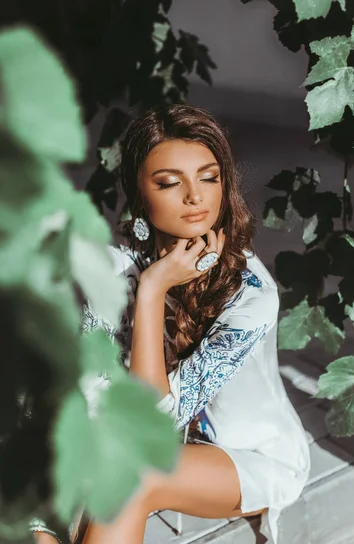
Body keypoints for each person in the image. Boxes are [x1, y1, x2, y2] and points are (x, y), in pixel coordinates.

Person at [34, 103, 310, 544]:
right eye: (169, 183)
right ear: (140, 193)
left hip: (242, 456)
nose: (195, 197)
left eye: (208, 177)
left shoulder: (251, 296)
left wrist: (152, 292)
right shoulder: (115, 269)